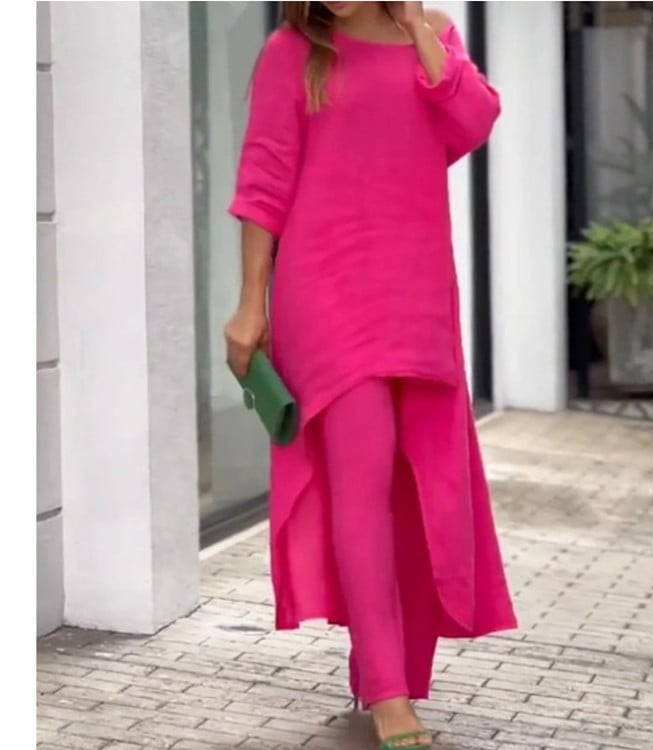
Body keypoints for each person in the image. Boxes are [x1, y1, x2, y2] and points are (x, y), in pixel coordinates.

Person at [224, 2, 517, 748]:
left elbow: (473, 121)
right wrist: (251, 303)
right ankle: (389, 699)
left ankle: (381, 665)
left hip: (416, 292)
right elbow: (264, 181)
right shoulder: (293, 51)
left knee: (414, 488)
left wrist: (417, 28)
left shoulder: (434, 36)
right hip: (325, 292)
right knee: (361, 481)